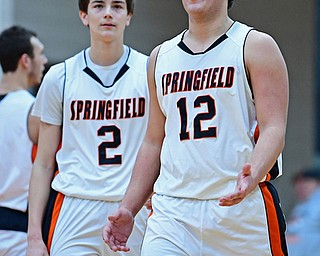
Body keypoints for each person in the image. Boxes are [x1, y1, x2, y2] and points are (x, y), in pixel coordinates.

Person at [103, 0, 289, 255]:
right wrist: (128, 207)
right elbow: (153, 141)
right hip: (173, 213)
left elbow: (274, 129)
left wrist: (253, 173)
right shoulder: (160, 57)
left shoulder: (255, 45)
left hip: (239, 211)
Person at [26, 0, 150, 255]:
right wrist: (34, 237)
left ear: (129, 17)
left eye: (117, 6)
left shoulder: (149, 71)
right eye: (98, 6)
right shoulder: (60, 77)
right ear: (83, 15)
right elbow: (43, 162)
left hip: (132, 205)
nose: (107, 13)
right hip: (76, 206)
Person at [0, 25, 47, 256]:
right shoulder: (34, 110)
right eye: (41, 54)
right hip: (19, 233)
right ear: (25, 61)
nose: (45, 60)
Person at [286, 167, 320, 255]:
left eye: (306, 181)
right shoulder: (301, 205)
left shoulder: (317, 202)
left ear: (317, 183)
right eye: (297, 182)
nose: (300, 186)